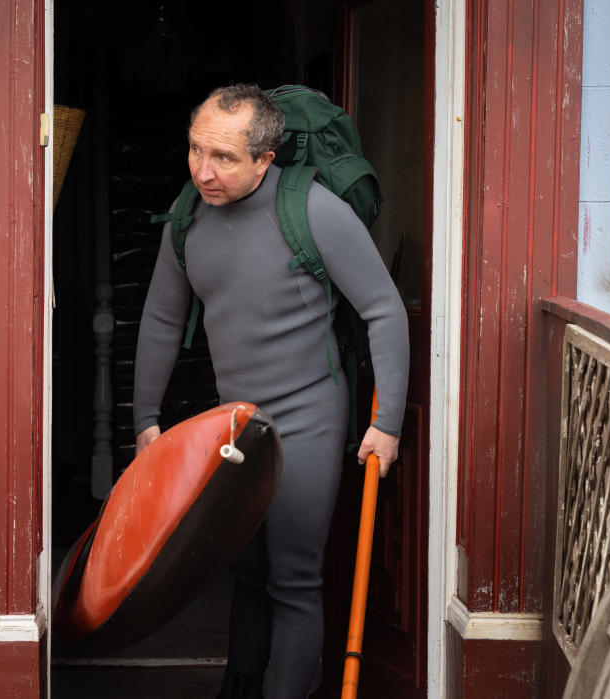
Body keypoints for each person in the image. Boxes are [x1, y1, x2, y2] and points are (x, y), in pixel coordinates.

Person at [132, 83, 410, 698]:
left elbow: (384, 310)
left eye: (224, 158)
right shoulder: (186, 217)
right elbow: (159, 320)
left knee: (292, 577)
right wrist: (145, 418)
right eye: (196, 150)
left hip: (309, 416)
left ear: (265, 159)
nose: (204, 170)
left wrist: (386, 422)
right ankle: (240, 686)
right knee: (247, 571)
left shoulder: (314, 211)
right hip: (234, 423)